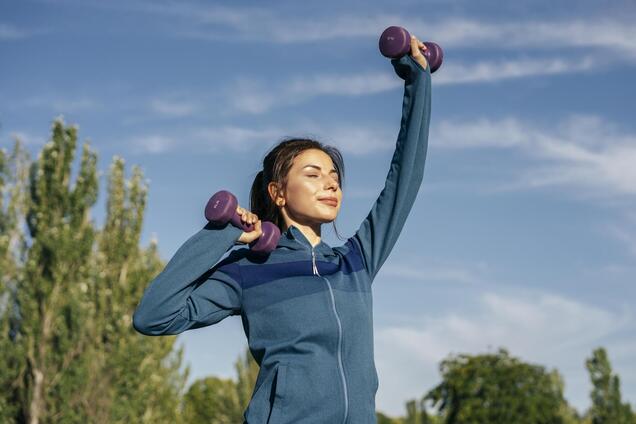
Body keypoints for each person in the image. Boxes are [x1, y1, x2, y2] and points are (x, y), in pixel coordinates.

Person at [133, 35, 432, 424]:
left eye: (334, 177)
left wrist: (418, 82)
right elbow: (154, 316)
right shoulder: (249, 269)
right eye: (313, 174)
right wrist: (220, 234)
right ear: (277, 192)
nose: (331, 184)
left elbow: (404, 181)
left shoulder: (355, 262)